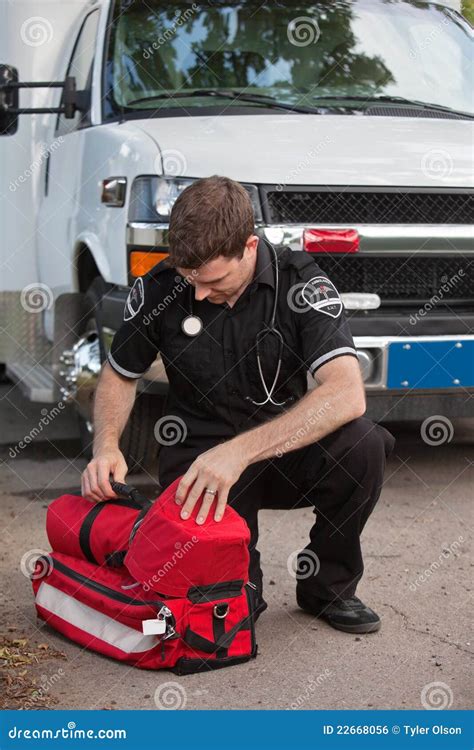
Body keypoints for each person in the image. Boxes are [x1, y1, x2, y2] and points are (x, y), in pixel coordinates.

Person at [82, 175, 396, 634]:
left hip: (279, 451)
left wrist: (239, 453)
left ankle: (328, 587)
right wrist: (106, 446)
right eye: (192, 281)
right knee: (229, 616)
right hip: (198, 464)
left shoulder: (301, 284)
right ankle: (243, 587)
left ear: (249, 246)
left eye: (214, 281)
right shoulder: (162, 288)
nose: (201, 294)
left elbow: (346, 393)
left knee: (363, 444)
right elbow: (120, 373)